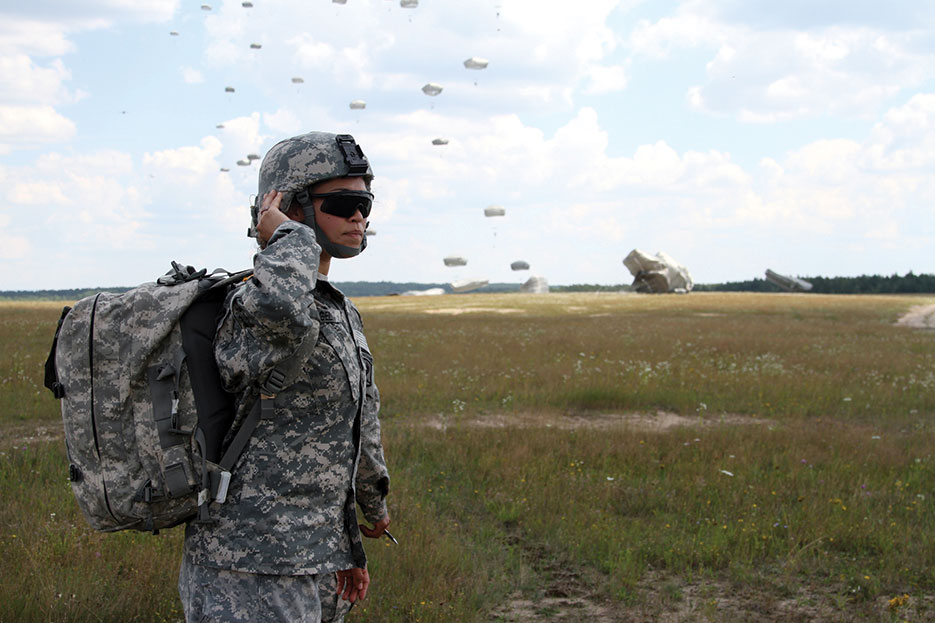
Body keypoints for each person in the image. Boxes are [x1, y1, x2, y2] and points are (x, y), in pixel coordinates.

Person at [178, 131, 391, 623]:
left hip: (316, 560)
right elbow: (281, 312)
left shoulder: (338, 311)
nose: (359, 216)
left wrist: (351, 541)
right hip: (249, 567)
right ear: (291, 207)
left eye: (366, 203)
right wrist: (286, 239)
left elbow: (354, 428)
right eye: (343, 202)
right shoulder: (253, 305)